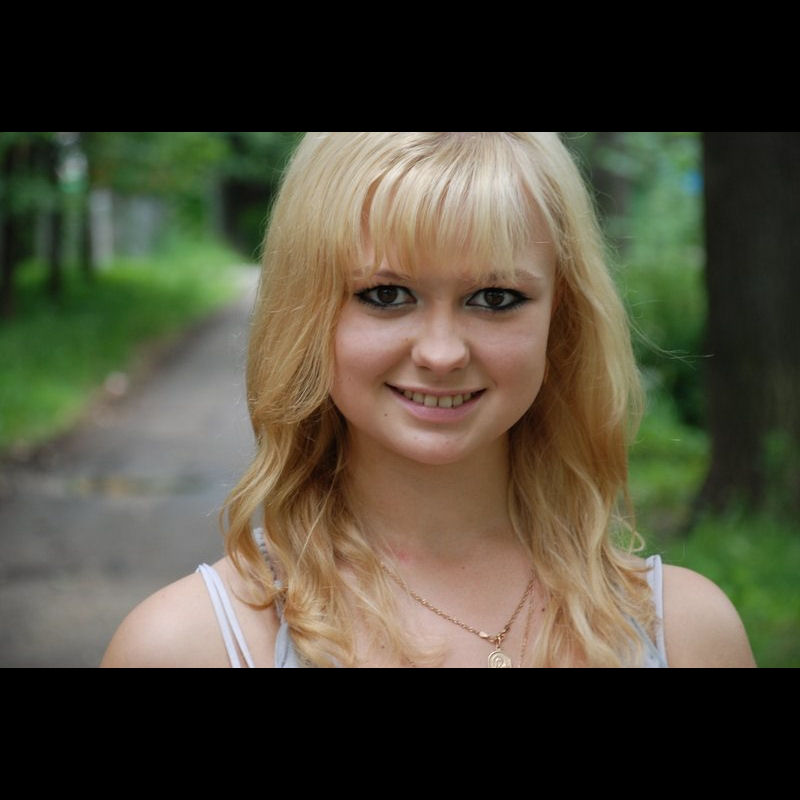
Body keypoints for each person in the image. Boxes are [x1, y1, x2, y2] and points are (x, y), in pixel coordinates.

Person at [101, 132, 756, 668]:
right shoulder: (187, 646)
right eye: (386, 295)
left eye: (495, 298)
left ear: (561, 320)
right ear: (304, 309)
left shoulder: (688, 635)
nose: (442, 353)